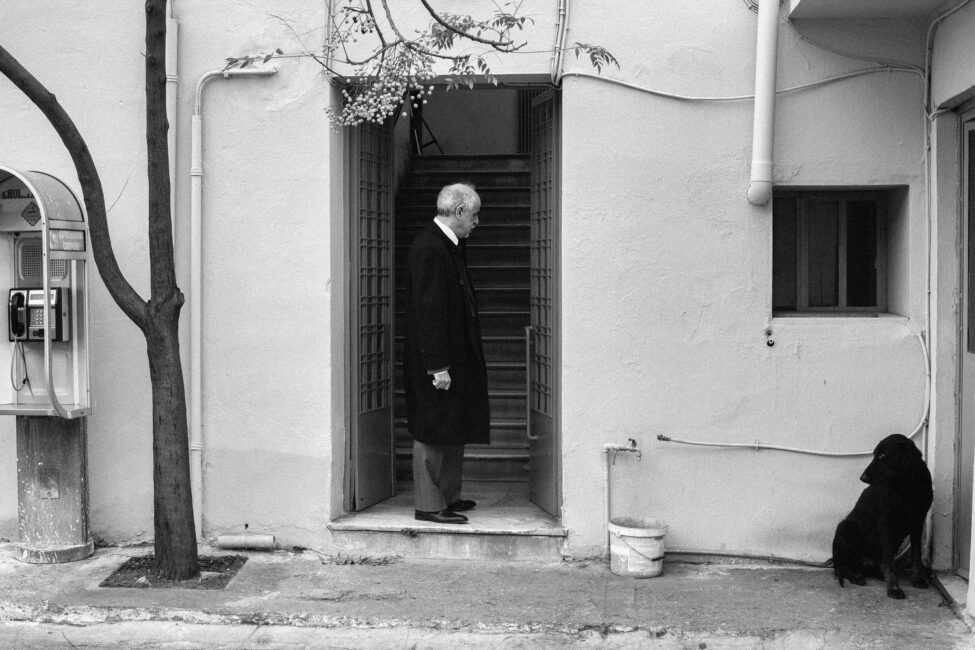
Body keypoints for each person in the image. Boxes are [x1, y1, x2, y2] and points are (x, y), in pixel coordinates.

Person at [404, 183, 490, 524]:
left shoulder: (446, 245)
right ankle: (428, 505)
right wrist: (438, 366)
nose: (477, 222)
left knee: (453, 424)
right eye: (474, 215)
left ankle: (448, 496)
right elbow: (429, 313)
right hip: (437, 361)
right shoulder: (430, 248)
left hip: (453, 357)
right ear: (458, 212)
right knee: (433, 428)